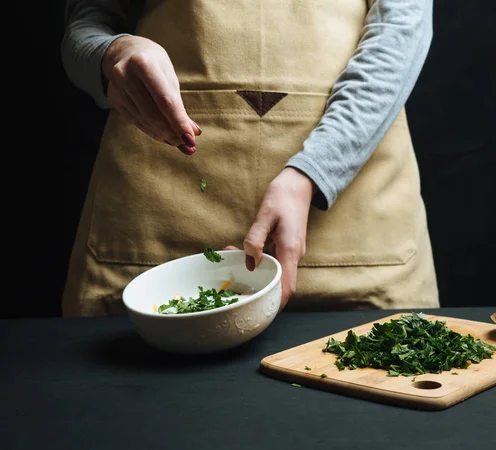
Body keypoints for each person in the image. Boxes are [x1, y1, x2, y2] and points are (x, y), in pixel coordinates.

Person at [61, 0, 439, 316]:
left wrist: (311, 173)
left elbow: (401, 30)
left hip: (355, 234)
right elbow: (87, 25)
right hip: (156, 233)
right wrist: (112, 52)